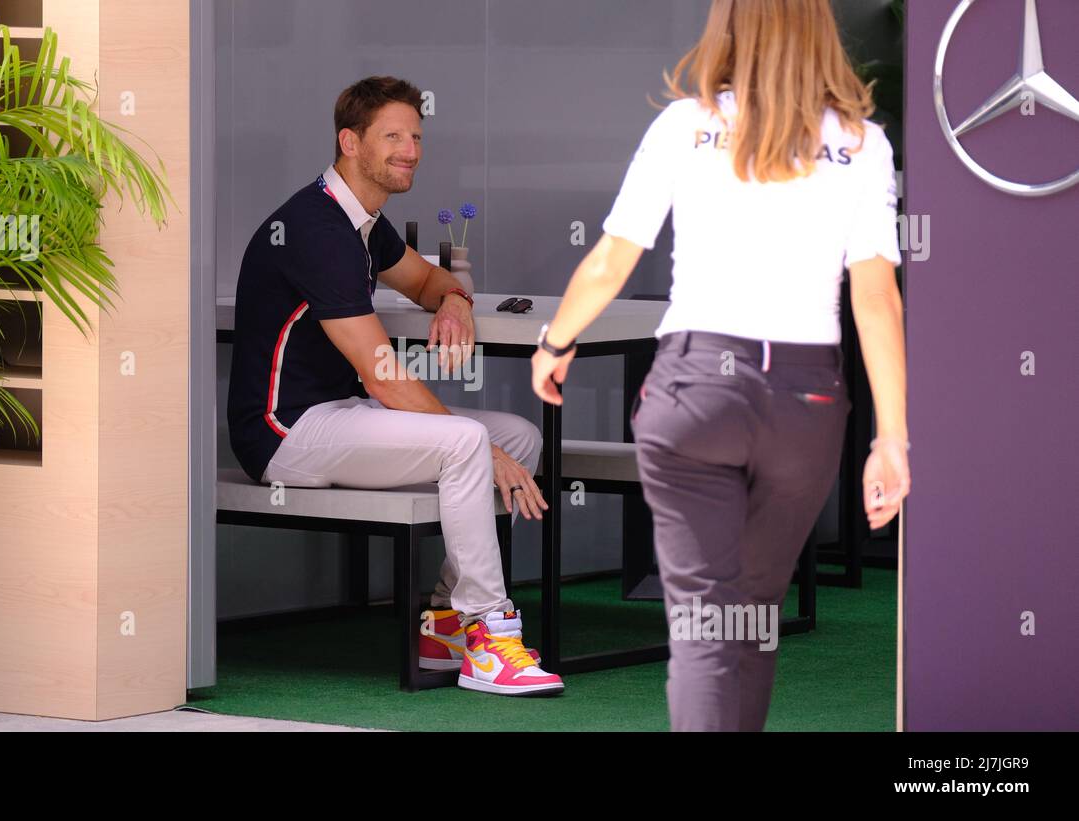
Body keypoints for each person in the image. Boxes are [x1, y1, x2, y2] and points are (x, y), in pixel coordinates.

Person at [530, 0, 910, 729]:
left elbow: (613, 257)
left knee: (706, 631)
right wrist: (890, 439)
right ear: (818, 31)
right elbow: (877, 299)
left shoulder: (683, 125)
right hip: (806, 403)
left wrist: (556, 342)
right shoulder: (862, 144)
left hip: (695, 384)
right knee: (751, 620)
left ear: (727, 27)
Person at [228, 76, 563, 696]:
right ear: (349, 142)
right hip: (283, 432)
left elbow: (432, 282)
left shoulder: (363, 222)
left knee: (515, 435)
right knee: (469, 443)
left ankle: (442, 623)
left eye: (416, 135)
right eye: (393, 136)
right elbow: (384, 376)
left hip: (337, 413)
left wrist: (455, 304)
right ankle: (490, 635)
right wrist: (477, 448)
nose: (410, 148)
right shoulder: (317, 229)